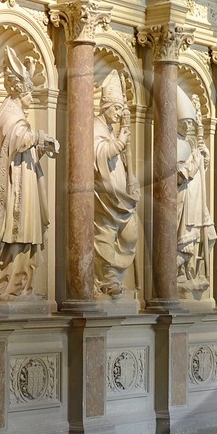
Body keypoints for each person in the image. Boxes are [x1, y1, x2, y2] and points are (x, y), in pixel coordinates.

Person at [0, 48, 59, 298]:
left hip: (25, 183)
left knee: (28, 235)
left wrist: (41, 146)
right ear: (21, 92)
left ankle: (20, 285)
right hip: (16, 189)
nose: (32, 98)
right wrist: (39, 137)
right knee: (16, 233)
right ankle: (7, 284)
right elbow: (16, 139)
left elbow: (23, 149)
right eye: (30, 93)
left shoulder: (18, 114)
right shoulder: (10, 113)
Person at [93, 70, 141, 296]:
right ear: (105, 107)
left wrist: (132, 182)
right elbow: (99, 153)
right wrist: (121, 142)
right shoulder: (96, 126)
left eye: (122, 109)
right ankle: (107, 276)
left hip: (120, 193)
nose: (119, 114)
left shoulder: (113, 131)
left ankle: (115, 273)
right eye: (116, 108)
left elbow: (123, 161)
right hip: (104, 194)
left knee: (130, 233)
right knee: (105, 232)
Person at [176, 90, 215, 290]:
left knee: (209, 236)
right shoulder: (172, 143)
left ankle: (195, 273)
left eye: (190, 122)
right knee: (185, 240)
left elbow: (202, 169)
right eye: (184, 121)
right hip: (185, 199)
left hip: (198, 198)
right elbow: (176, 176)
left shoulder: (191, 143)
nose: (188, 125)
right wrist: (194, 161)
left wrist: (204, 156)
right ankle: (181, 275)